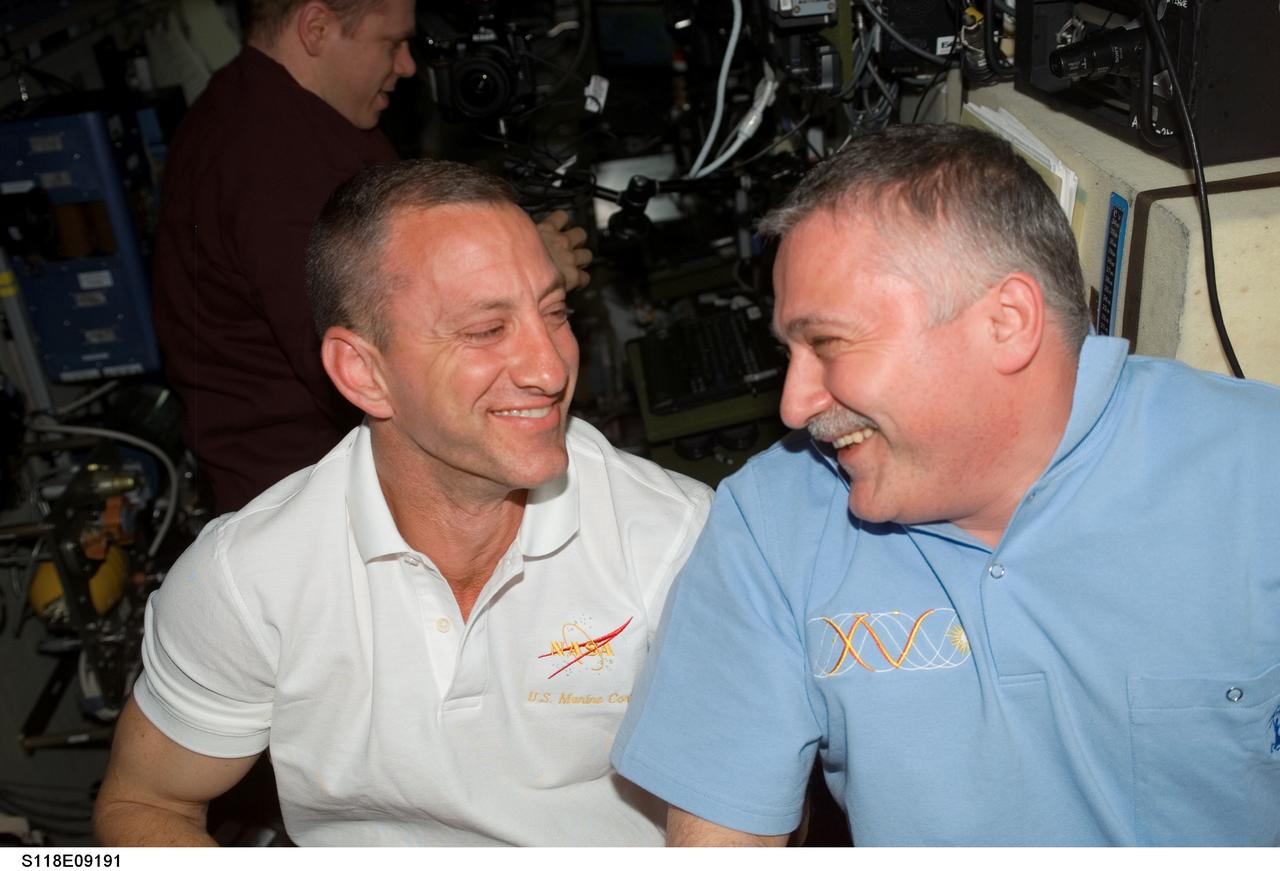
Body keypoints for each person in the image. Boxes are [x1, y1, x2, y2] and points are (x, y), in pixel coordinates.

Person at [609, 122, 1280, 846]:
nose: (794, 404)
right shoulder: (770, 525)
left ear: (1006, 321)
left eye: (827, 343)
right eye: (789, 352)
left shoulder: (1257, 473)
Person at [95, 159, 711, 846]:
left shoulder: (677, 538)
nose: (550, 367)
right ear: (364, 372)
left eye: (554, 311)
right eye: (487, 330)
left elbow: (752, 805)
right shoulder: (249, 577)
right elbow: (146, 805)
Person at [152, 0, 591, 514]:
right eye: (391, 43)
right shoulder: (277, 161)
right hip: (312, 506)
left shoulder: (249, 108)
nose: (406, 66)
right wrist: (527, 283)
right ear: (316, 28)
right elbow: (380, 345)